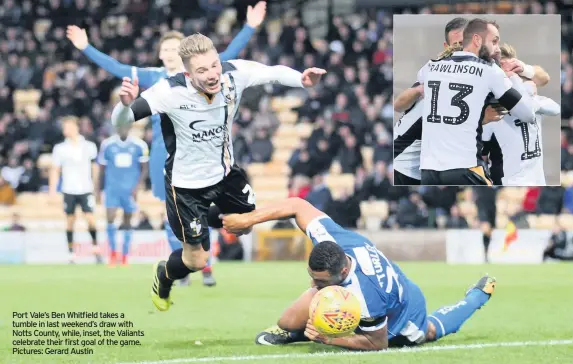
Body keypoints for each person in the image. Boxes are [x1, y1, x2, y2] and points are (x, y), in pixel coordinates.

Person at [111, 33, 326, 312]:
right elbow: (121, 124)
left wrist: (302, 80)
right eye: (202, 70)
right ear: (187, 72)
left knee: (246, 223)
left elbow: (271, 72)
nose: (213, 74)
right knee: (197, 261)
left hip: (225, 175)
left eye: (214, 65)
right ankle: (164, 275)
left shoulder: (233, 73)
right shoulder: (168, 91)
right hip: (185, 187)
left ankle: (203, 223)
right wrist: (124, 105)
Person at [66, 0, 267, 285]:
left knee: (210, 208)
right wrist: (86, 47)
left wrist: (249, 27)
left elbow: (232, 54)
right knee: (172, 213)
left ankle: (204, 260)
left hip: (208, 153)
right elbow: (115, 67)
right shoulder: (154, 77)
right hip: (167, 157)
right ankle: (185, 264)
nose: (170, 53)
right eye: (166, 49)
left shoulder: (202, 74)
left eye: (175, 48)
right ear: (160, 54)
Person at [220, 198, 495, 350]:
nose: (313, 283)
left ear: (342, 271)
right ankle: (298, 332)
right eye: (313, 277)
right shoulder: (332, 241)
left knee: (430, 332)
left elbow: (378, 344)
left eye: (320, 281)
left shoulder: (368, 295)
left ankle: (476, 297)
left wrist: (327, 339)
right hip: (360, 292)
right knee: (287, 321)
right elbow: (297, 205)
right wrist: (247, 219)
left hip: (403, 311)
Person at [416, 18, 538, 185]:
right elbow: (527, 114)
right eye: (494, 42)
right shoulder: (489, 70)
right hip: (464, 166)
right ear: (477, 40)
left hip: (428, 170)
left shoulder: (429, 67)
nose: (497, 48)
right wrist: (516, 81)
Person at [393, 18, 510, 186]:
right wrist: (420, 89)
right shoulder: (437, 76)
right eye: (456, 44)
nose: (461, 49)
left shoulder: (476, 74)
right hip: (405, 162)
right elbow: (399, 106)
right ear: (447, 48)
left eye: (463, 43)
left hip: (431, 163)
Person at [482, 43, 560, 186]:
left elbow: (554, 104)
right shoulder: (490, 109)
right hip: (506, 183)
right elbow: (481, 154)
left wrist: (524, 71)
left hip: (537, 180)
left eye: (515, 74)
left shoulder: (531, 100)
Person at [49, 116, 101, 264]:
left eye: (68, 127)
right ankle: (71, 252)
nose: (66, 130)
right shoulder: (60, 148)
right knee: (70, 220)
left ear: (76, 127)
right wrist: (52, 190)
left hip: (86, 188)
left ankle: (96, 247)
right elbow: (55, 170)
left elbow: (95, 167)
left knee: (90, 219)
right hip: (68, 189)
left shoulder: (89, 146)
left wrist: (96, 188)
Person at [97, 124, 149, 266]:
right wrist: (97, 190)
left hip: (129, 190)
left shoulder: (140, 145)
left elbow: (145, 168)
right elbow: (101, 169)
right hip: (112, 188)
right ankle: (113, 253)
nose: (123, 128)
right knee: (110, 218)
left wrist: (137, 186)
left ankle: (125, 255)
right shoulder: (107, 145)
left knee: (127, 221)